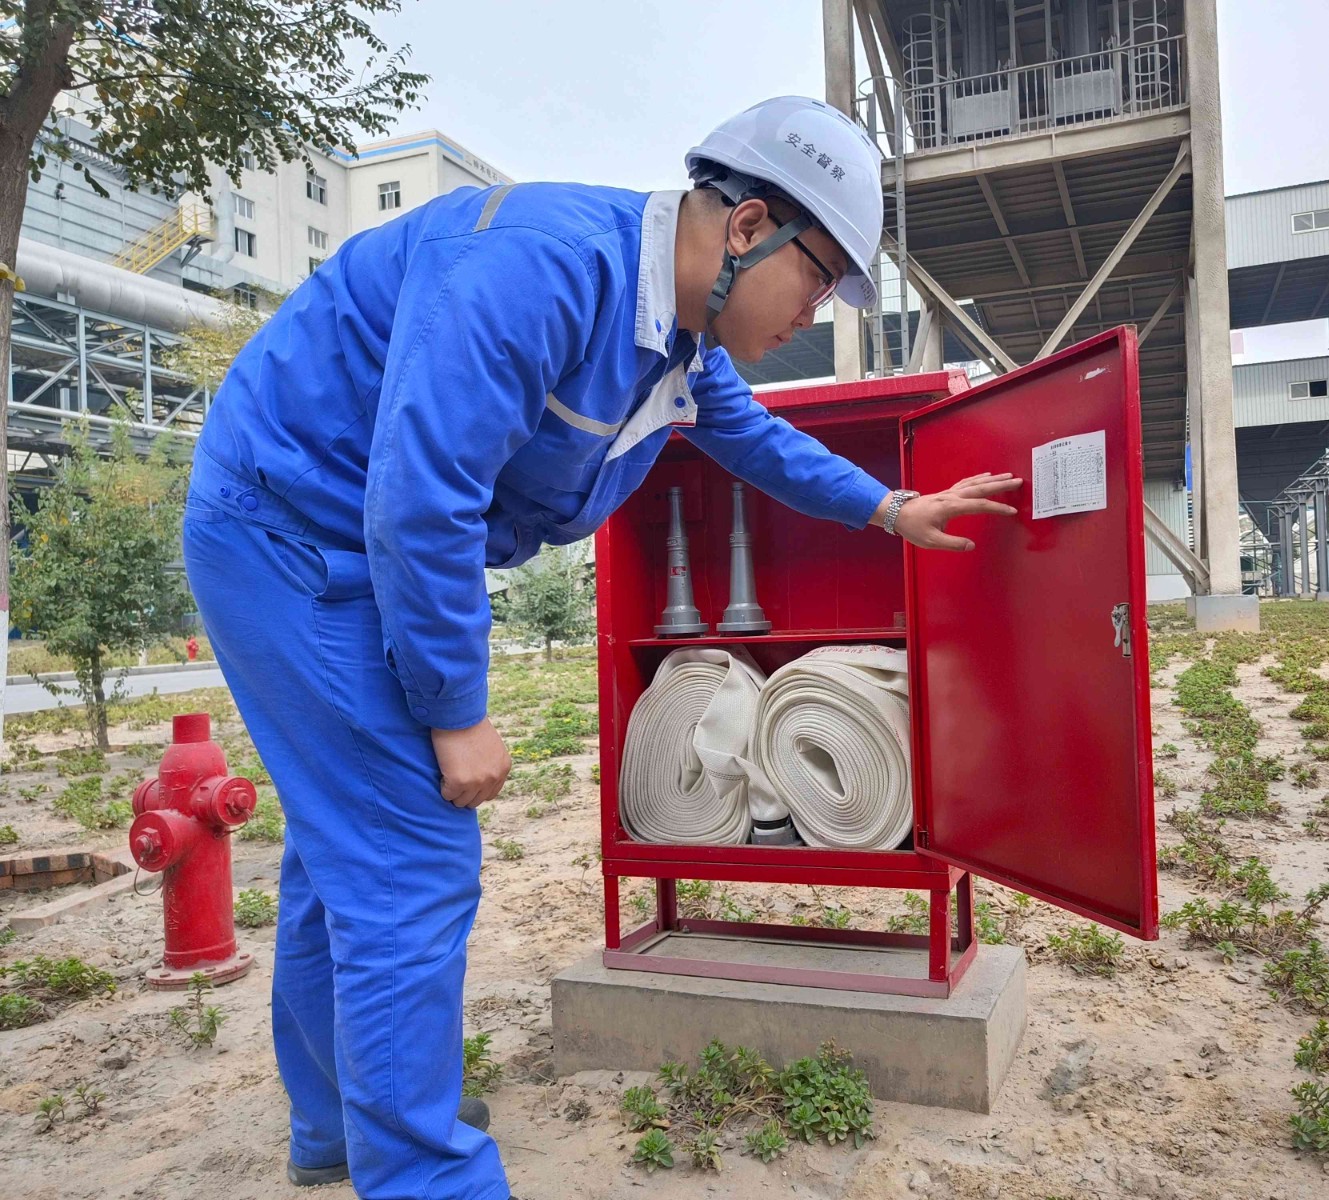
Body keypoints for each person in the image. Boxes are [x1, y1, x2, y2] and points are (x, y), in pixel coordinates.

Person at [182, 95, 1020, 1200]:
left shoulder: (675, 344)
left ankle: (343, 1122)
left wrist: (886, 508)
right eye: (818, 278)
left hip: (345, 538)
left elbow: (759, 442)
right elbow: (421, 498)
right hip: (289, 534)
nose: (814, 312)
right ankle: (425, 1174)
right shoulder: (543, 271)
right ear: (747, 224)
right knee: (406, 860)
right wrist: (453, 708)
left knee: (343, 855)